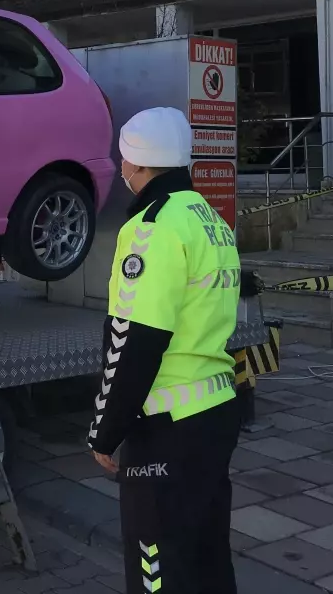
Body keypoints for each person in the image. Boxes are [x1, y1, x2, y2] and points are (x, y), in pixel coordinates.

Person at [86, 106, 242, 594]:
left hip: (167, 426)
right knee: (207, 557)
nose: (122, 171)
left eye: (125, 161)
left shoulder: (150, 229)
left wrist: (104, 430)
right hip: (216, 412)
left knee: (158, 569)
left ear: (140, 164)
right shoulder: (210, 220)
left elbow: (136, 338)